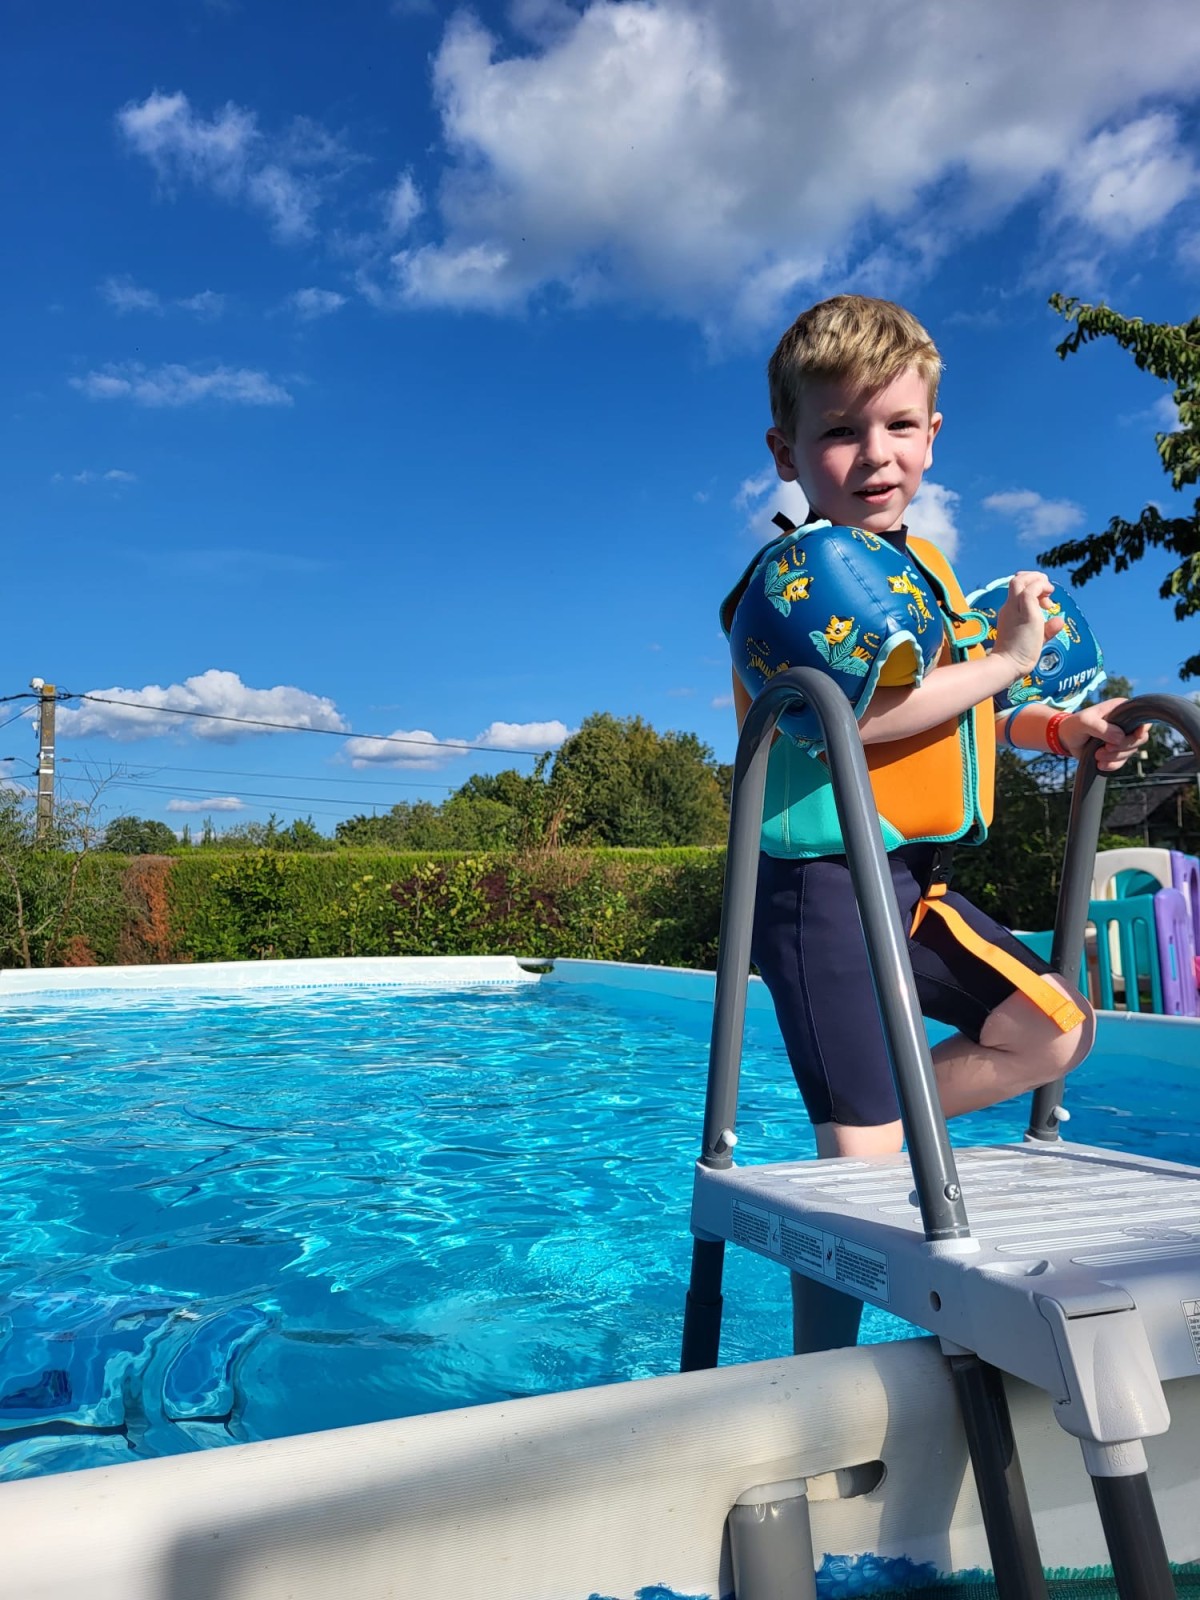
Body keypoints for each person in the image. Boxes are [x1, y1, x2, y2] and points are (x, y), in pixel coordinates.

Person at [720, 294, 1148, 1354]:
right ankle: (821, 1370)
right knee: (860, 1182)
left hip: (909, 881)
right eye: (839, 430)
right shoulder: (793, 583)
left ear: (933, 433)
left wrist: (1061, 726)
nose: (875, 454)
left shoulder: (929, 574)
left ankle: (876, 1134)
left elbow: (971, 713)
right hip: (819, 893)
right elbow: (865, 718)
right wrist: (1005, 660)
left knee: (1054, 1030)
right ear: (786, 451)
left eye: (899, 425)